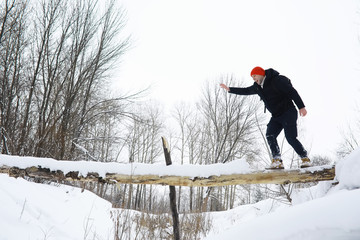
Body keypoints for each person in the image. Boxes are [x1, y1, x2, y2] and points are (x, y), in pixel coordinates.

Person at [220, 66, 311, 169]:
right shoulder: (257, 87)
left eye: (254, 76)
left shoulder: (277, 80)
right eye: (252, 77)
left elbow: (292, 92)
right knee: (270, 134)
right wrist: (230, 89)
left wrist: (301, 107)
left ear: (261, 74)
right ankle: (277, 160)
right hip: (276, 116)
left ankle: (305, 158)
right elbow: (246, 91)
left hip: (288, 112)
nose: (253, 79)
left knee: (290, 137)